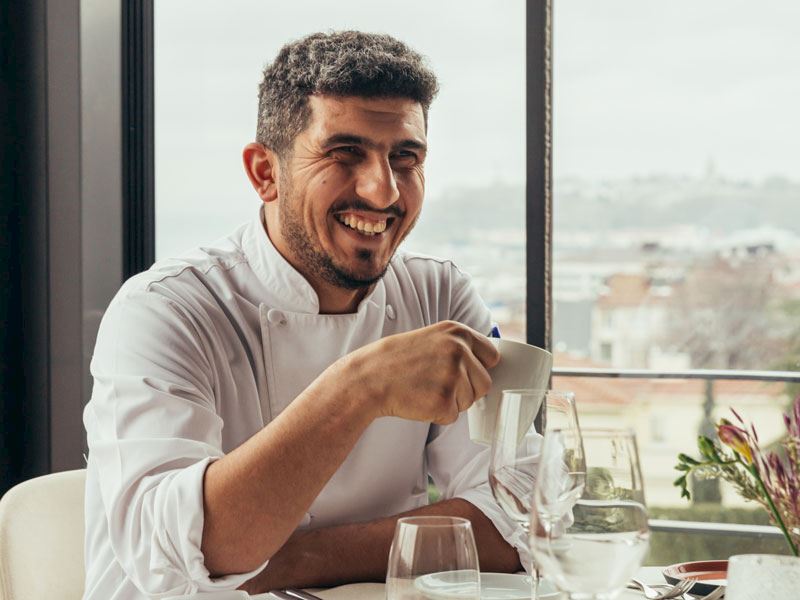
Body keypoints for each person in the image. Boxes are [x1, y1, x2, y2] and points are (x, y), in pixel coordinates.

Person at [83, 31, 527, 600]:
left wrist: (295, 557)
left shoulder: (439, 294)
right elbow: (191, 554)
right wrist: (360, 385)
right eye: (345, 154)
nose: (383, 190)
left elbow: (522, 515)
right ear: (265, 172)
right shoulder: (165, 310)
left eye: (405, 158)